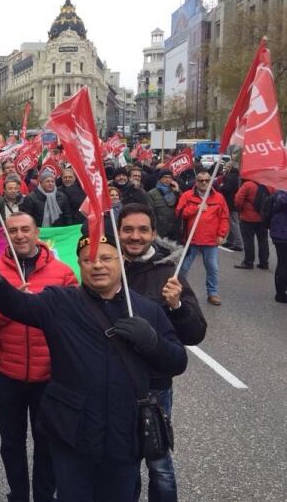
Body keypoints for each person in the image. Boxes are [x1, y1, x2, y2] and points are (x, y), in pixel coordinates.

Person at [0, 226, 188, 502]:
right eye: (88, 259)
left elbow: (178, 361)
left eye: (106, 258)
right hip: (72, 434)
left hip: (124, 436)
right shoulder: (60, 302)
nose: (97, 265)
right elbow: (17, 305)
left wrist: (152, 342)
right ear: (80, 265)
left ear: (121, 261)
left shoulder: (146, 310)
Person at [0, 213, 78, 502]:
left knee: (47, 443)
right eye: (13, 230)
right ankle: (17, 494)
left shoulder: (63, 271)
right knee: (11, 443)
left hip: (49, 374)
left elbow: (75, 320)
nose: (20, 235)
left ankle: (44, 496)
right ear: (7, 235)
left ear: (36, 232)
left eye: (25, 230)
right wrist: (11, 304)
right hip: (7, 372)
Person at [117, 204, 207, 502]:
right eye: (128, 229)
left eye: (143, 230)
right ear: (118, 232)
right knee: (121, 463)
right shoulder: (105, 266)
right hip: (114, 384)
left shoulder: (170, 272)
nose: (135, 236)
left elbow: (194, 334)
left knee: (160, 464)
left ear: (153, 233)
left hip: (155, 385)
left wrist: (177, 306)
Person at [177, 170, 230, 305]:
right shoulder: (187, 195)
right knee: (183, 269)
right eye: (201, 180)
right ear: (196, 181)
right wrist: (196, 208)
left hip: (210, 240)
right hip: (191, 239)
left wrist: (221, 234)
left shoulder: (219, 197)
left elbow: (224, 217)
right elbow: (179, 212)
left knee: (212, 268)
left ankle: (212, 293)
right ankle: (180, 292)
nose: (204, 183)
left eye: (207, 180)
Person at [234, 179, 270, 270]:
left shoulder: (247, 185)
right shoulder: (268, 185)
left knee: (248, 241)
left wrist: (240, 210)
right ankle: (264, 262)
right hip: (262, 218)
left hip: (247, 218)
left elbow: (238, 200)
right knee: (263, 241)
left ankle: (248, 262)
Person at [146, 169, 182, 241]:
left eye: (170, 177)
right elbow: (150, 212)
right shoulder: (152, 193)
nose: (167, 179)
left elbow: (182, 205)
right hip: (160, 229)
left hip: (175, 228)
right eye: (165, 177)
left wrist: (178, 192)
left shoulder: (175, 191)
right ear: (160, 179)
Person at [216, 161, 243, 251]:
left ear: (231, 167)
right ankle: (230, 241)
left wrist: (221, 186)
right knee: (232, 222)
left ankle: (238, 243)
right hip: (234, 202)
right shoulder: (238, 176)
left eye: (227, 166)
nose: (225, 168)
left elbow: (227, 189)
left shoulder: (228, 177)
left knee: (233, 223)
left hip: (230, 202)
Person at [267, 190, 287, 303]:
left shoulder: (280, 192)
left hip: (279, 232)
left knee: (283, 263)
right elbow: (281, 202)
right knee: (283, 263)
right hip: (281, 234)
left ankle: (282, 289)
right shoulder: (281, 194)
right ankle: (280, 294)